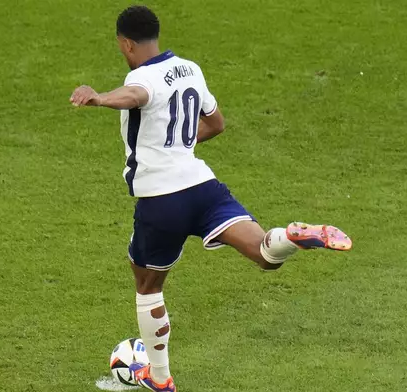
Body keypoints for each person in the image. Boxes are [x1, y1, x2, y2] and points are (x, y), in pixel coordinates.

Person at [70, 5, 352, 392]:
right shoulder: (191, 69)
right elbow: (216, 123)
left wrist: (99, 98)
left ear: (126, 43)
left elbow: (135, 94)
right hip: (203, 186)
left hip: (161, 200)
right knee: (265, 255)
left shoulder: (141, 76)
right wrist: (180, 142)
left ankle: (160, 377)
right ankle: (291, 234)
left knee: (148, 284)